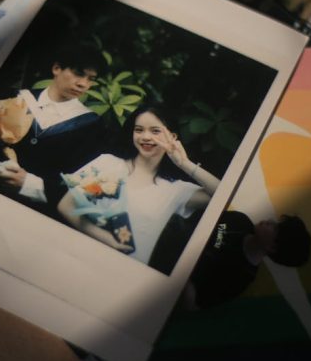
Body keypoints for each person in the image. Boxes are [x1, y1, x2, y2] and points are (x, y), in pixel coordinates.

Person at [0, 44, 106, 219]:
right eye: (78, 73)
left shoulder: (91, 126)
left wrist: (31, 184)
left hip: (27, 213)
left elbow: (78, 182)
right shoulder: (15, 98)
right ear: (57, 68)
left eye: (91, 79)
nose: (83, 84)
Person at [57, 102, 220, 266]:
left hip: (130, 272)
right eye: (139, 130)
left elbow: (223, 198)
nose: (146, 137)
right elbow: (66, 205)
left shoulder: (176, 189)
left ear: (173, 137)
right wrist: (107, 239)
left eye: (155, 131)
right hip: (82, 259)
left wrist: (185, 164)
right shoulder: (106, 163)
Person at [184, 211, 311, 310]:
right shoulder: (241, 220)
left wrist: (183, 274)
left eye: (275, 228)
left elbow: (195, 303)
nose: (269, 221)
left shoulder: (241, 277)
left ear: (272, 247)